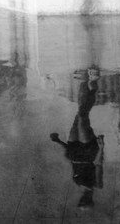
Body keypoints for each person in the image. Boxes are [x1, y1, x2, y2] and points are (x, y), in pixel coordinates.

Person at [50, 68, 104, 208]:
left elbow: (72, 163)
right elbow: (99, 165)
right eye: (85, 201)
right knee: (82, 115)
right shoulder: (97, 184)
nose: (82, 199)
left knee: (80, 113)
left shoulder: (77, 183)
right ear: (90, 200)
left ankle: (89, 84)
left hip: (73, 148)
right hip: (87, 151)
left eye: (81, 201)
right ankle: (91, 81)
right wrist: (102, 147)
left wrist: (59, 142)